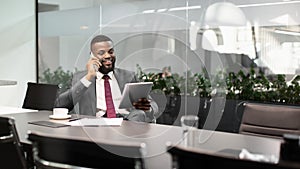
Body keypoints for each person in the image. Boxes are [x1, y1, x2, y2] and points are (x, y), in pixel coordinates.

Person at [55, 35, 159, 122]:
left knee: (139, 114)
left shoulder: (128, 76)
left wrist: (148, 108)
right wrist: (89, 77)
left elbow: (153, 105)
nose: (108, 56)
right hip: (96, 125)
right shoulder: (80, 78)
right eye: (101, 53)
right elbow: (61, 104)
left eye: (111, 51)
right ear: (92, 56)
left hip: (126, 124)